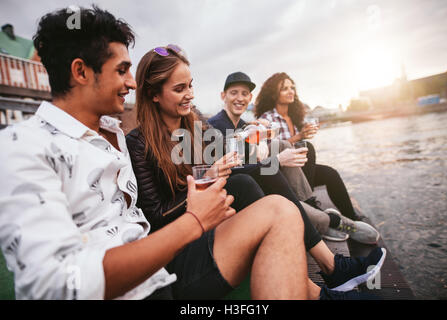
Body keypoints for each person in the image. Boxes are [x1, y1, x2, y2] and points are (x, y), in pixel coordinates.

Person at [0, 6, 378, 300]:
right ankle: (327, 273)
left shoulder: (114, 134)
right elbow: (55, 284)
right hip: (159, 274)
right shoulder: (24, 146)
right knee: (258, 190)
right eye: (121, 71)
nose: (130, 82)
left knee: (265, 193)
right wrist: (195, 219)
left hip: (164, 267)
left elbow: (229, 154)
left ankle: (323, 282)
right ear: (81, 72)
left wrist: (252, 157)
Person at [125, 46, 387, 299]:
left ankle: (330, 266)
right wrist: (208, 178)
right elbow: (155, 216)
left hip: (215, 211)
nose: (190, 94)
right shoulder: (138, 142)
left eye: (191, 85)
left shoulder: (196, 124)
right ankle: (327, 265)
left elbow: (229, 165)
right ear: (153, 94)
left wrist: (249, 156)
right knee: (250, 182)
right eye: (179, 89)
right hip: (184, 235)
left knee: (262, 172)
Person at [208, 71, 380, 244]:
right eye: (234, 93)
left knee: (287, 147)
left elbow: (252, 155)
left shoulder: (242, 124)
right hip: (244, 188)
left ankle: (312, 207)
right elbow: (235, 171)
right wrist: (277, 159)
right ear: (223, 96)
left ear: (250, 97)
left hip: (261, 177)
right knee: (284, 160)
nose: (240, 98)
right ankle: (334, 222)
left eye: (244, 94)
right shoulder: (217, 126)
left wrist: (259, 134)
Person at [254, 72, 373, 225]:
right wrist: (299, 137)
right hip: (283, 171)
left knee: (331, 174)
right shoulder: (267, 118)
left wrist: (305, 133)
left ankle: (353, 218)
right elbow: (272, 148)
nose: (290, 91)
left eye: (292, 88)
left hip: (301, 168)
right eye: (284, 88)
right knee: (306, 147)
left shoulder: (295, 116)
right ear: (273, 94)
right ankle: (308, 203)